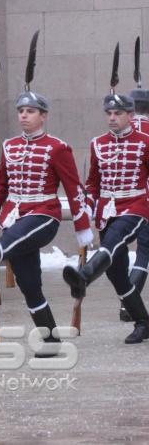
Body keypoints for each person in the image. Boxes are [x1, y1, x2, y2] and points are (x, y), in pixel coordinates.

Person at [0, 90, 93, 357]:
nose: (24, 115)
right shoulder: (10, 146)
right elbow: (1, 184)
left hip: (43, 215)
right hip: (15, 214)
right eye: (21, 111)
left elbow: (75, 190)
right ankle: (50, 339)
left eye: (31, 111)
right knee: (29, 285)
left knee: (7, 243)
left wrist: (82, 227)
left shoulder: (57, 147)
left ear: (43, 116)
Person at [62, 92, 149, 343]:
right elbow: (92, 183)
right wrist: (87, 206)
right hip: (106, 210)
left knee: (113, 239)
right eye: (109, 113)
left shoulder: (145, 141)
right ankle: (143, 321)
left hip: (136, 206)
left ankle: (85, 275)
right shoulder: (97, 143)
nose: (112, 118)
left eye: (118, 113)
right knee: (116, 274)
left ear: (131, 116)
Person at [120, 86, 149, 321]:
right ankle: (129, 304)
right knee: (144, 253)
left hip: (125, 201)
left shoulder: (121, 131)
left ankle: (126, 302)